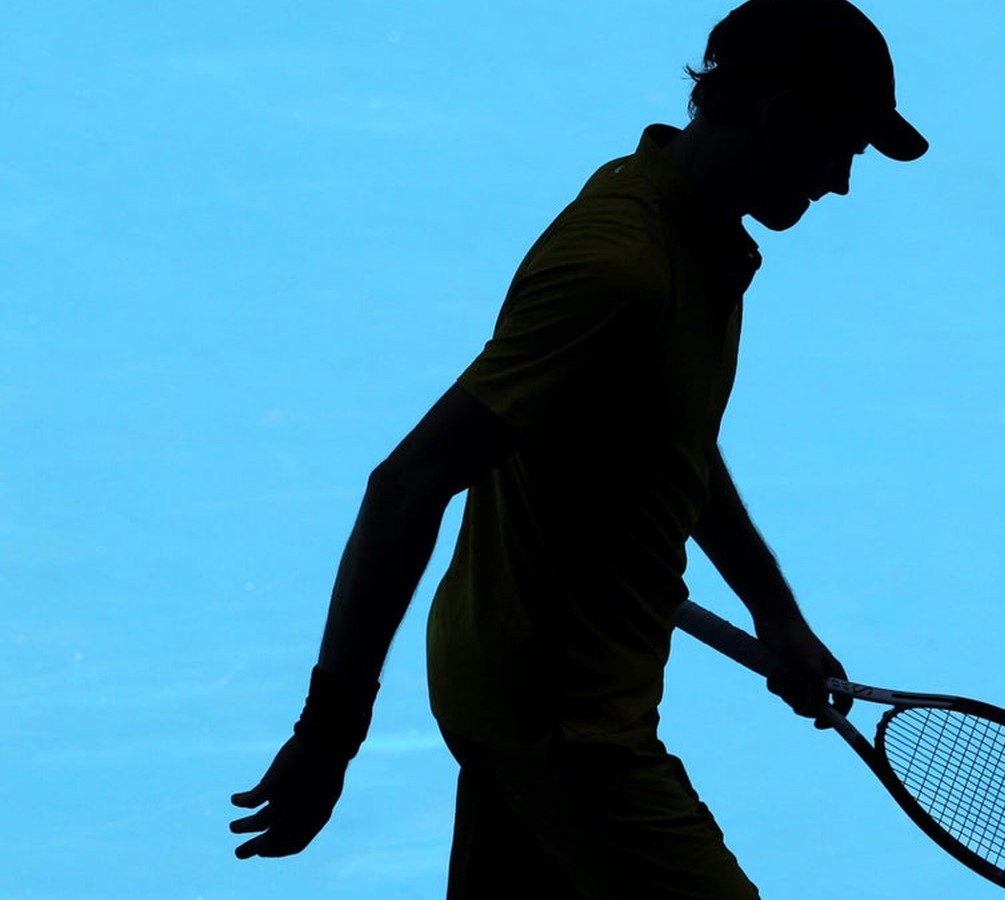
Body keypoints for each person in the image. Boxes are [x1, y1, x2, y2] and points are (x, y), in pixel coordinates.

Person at [228, 0, 927, 895]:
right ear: (780, 118)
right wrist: (329, 736)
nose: (840, 182)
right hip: (557, 719)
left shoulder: (695, 231)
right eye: (842, 148)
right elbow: (405, 486)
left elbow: (670, 436)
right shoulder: (619, 268)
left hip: (540, 686)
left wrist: (775, 614)